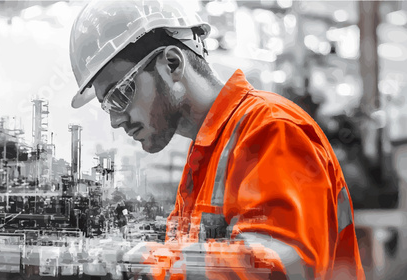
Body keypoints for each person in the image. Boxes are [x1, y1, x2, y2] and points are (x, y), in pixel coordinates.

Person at [68, 0, 365, 279]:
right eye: (106, 105)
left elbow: (282, 268)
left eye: (120, 95)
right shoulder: (208, 153)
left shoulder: (271, 130)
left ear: (172, 64)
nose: (115, 120)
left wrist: (150, 262)